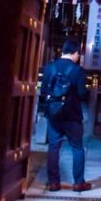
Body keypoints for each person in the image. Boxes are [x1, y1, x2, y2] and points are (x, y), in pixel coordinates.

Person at [41, 39, 91, 192]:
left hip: (54, 114)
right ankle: (78, 183)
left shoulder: (49, 68)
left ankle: (54, 183)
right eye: (78, 54)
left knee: (54, 147)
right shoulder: (78, 71)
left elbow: (43, 91)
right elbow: (82, 94)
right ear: (75, 53)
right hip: (72, 115)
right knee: (77, 148)